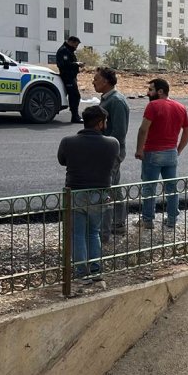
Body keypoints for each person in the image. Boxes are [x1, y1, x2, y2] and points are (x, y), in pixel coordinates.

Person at [57, 105, 119, 285]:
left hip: (75, 192)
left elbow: (62, 161)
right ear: (100, 123)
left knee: (77, 234)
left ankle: (80, 272)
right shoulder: (112, 143)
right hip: (99, 193)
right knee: (94, 232)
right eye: (105, 121)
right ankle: (95, 269)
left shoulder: (68, 141)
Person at [134, 78, 188, 230]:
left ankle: (147, 220)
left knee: (149, 188)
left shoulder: (152, 106)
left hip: (152, 152)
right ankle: (172, 220)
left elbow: (143, 129)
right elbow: (187, 131)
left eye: (150, 89)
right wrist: (178, 149)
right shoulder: (180, 107)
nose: (148, 92)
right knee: (172, 188)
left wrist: (139, 149)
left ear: (160, 91)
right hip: (171, 152)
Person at [92, 67, 129, 240]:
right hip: (108, 151)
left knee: (107, 190)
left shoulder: (116, 101)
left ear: (106, 81)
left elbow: (119, 133)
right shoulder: (108, 99)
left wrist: (106, 150)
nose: (93, 81)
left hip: (111, 152)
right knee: (114, 187)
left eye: (96, 79)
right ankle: (118, 223)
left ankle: (107, 230)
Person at [55, 35, 84, 124]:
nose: (76, 48)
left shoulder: (68, 50)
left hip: (71, 77)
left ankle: (75, 115)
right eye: (75, 45)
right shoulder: (64, 50)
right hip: (67, 77)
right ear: (71, 42)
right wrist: (77, 64)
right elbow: (64, 65)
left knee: (74, 96)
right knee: (74, 96)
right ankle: (75, 116)